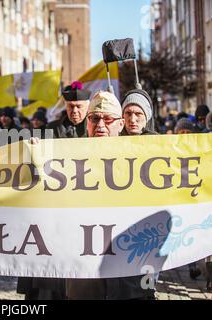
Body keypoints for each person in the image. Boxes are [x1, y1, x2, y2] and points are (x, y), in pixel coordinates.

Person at [66, 91, 155, 300]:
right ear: (87, 123)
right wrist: (36, 158)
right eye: (94, 118)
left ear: (121, 124)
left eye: (108, 119)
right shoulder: (67, 157)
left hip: (133, 266)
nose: (101, 125)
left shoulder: (144, 158)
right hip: (85, 270)